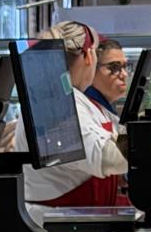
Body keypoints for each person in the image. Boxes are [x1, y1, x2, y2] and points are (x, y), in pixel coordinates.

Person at [14, 20, 128, 207]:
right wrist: (150, 143)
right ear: (89, 56)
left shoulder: (71, 98)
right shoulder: (55, 104)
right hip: (58, 226)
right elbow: (109, 157)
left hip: (77, 219)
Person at [85, 39, 129, 120]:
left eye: (125, 66)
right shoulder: (85, 112)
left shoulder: (103, 107)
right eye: (115, 67)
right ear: (92, 69)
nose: (124, 75)